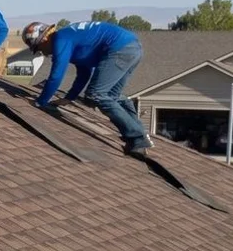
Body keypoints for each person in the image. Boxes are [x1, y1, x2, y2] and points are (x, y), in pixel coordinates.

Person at [24, 20, 152, 156]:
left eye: (38, 48)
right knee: (111, 96)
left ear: (44, 38)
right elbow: (84, 73)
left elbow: (56, 75)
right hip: (132, 47)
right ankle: (139, 135)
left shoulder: (60, 40)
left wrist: (40, 101)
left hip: (119, 48)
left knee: (96, 94)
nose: (42, 52)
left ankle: (137, 137)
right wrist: (69, 98)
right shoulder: (72, 38)